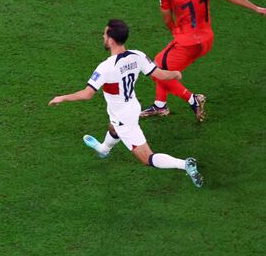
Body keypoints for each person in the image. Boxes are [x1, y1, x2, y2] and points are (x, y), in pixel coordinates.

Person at [48, 19, 203, 187]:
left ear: (111, 40)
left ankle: (185, 164)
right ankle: (104, 149)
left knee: (147, 158)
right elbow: (161, 74)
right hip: (131, 106)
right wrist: (175, 74)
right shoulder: (138, 55)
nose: (103, 36)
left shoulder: (106, 67)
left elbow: (87, 94)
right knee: (113, 125)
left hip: (124, 116)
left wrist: (62, 98)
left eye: (105, 34)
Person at [140, 0, 266, 121]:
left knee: (157, 70)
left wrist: (175, 31)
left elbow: (167, 18)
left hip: (187, 43)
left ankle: (192, 100)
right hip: (206, 40)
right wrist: (257, 8)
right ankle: (160, 105)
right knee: (163, 64)